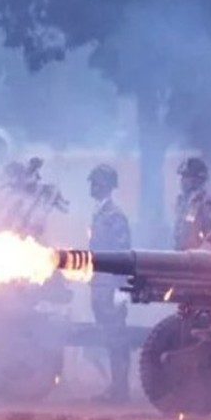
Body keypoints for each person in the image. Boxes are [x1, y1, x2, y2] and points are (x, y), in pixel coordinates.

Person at [87, 164, 132, 403]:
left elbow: (122, 254)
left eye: (95, 184)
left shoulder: (115, 217)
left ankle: (120, 390)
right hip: (100, 284)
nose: (92, 188)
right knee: (109, 339)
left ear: (105, 186)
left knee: (117, 339)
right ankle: (115, 387)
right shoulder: (100, 214)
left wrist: (121, 288)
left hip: (110, 286)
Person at [173, 157, 211, 250]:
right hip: (181, 256)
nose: (182, 181)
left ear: (196, 180)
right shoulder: (182, 202)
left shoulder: (206, 204)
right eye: (182, 177)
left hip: (197, 258)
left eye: (185, 177)